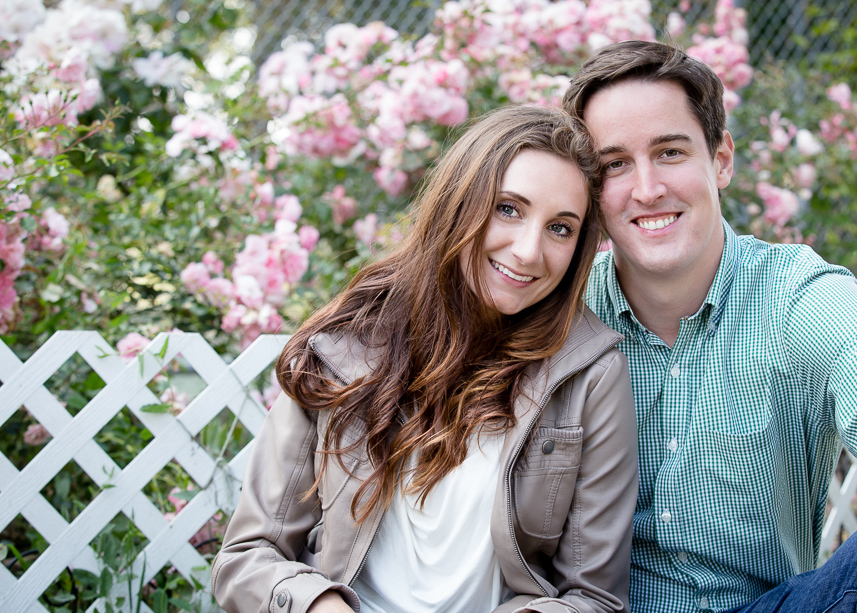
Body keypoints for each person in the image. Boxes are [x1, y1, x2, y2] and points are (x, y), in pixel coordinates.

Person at [210, 105, 639, 613]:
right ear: (460, 201)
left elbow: (593, 597)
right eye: (508, 208)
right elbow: (247, 557)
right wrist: (322, 606)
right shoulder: (346, 345)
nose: (528, 251)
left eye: (561, 228)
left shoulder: (590, 374)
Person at [562, 40, 857, 613]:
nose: (647, 188)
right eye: (614, 165)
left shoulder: (796, 295)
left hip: (772, 606)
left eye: (671, 152)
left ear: (721, 159)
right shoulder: (564, 314)